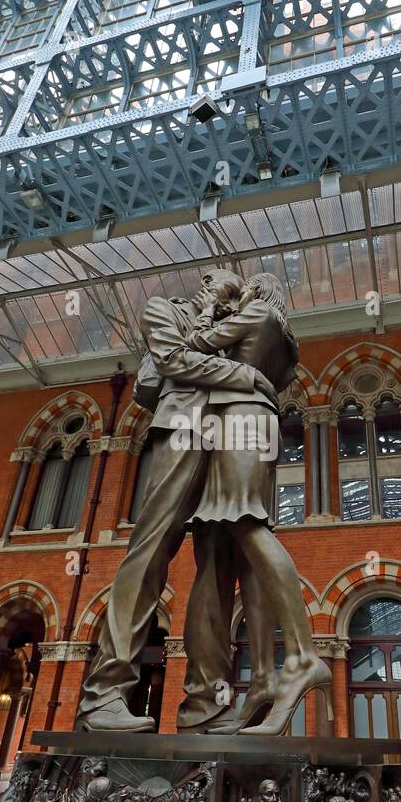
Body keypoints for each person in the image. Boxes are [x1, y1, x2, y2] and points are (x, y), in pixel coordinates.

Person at [76, 268, 276, 731]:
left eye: (233, 296)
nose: (226, 300)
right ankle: (103, 695)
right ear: (204, 286)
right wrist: (245, 374)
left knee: (219, 563)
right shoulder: (163, 309)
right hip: (183, 428)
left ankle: (205, 704)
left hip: (231, 436)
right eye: (221, 290)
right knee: (152, 545)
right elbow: (172, 360)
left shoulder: (236, 327)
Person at [178, 272, 331, 736]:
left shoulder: (254, 313)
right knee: (246, 541)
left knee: (246, 526)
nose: (235, 293)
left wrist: (208, 312)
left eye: (242, 289)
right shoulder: (282, 339)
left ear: (257, 292)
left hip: (241, 422)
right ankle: (264, 674)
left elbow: (195, 344)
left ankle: (302, 657)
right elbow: (279, 379)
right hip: (263, 423)